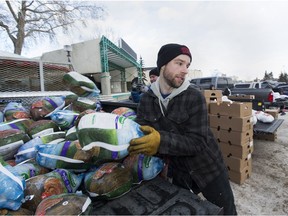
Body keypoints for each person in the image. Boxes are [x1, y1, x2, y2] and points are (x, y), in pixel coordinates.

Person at [128, 43, 237, 215]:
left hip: (208, 168)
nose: (185, 70)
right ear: (163, 65)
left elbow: (198, 142)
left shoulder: (194, 97)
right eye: (179, 63)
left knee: (226, 212)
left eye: (187, 65)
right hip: (178, 172)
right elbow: (142, 132)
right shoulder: (146, 100)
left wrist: (160, 141)